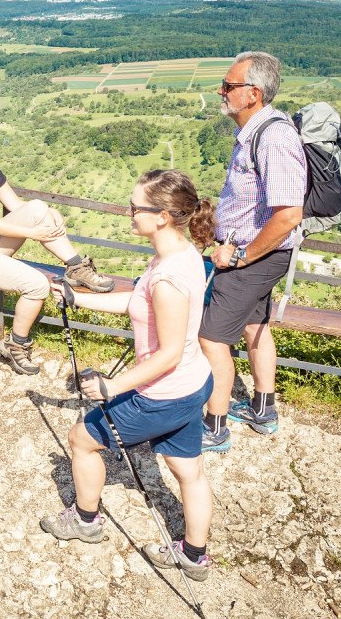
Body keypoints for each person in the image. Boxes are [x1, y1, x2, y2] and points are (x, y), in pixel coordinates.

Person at [40, 169, 216, 581]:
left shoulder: (168, 277)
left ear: (162, 216)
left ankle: (85, 521)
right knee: (188, 470)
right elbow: (136, 304)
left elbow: (168, 353)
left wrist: (113, 386)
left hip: (163, 393)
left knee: (81, 439)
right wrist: (78, 299)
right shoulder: (180, 256)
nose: (129, 212)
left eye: (136, 207)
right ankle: (194, 555)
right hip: (194, 384)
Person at [0, 118, 116, 376]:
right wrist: (34, 233)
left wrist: (49, 210)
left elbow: (17, 207)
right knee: (37, 285)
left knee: (36, 206)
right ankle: (15, 344)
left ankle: (76, 267)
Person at [200, 52, 307, 454]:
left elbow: (288, 215)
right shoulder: (257, 133)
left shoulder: (274, 138)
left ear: (253, 94)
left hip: (253, 258)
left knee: (211, 339)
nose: (220, 92)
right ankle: (262, 410)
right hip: (257, 256)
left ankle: (214, 426)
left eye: (228, 86)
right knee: (254, 327)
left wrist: (243, 256)